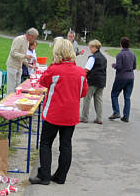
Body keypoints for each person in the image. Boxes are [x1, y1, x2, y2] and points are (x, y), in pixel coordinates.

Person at [29, 38, 88, 185]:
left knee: (46, 143)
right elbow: (83, 93)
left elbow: (42, 82)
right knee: (66, 145)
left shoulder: (54, 69)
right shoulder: (81, 72)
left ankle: (44, 176)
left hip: (53, 114)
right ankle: (61, 176)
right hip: (71, 115)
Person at [109, 37, 137, 123]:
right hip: (130, 77)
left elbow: (119, 66)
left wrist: (114, 65)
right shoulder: (132, 54)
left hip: (121, 77)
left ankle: (116, 112)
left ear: (121, 44)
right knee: (127, 97)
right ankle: (126, 116)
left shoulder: (120, 55)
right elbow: (134, 67)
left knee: (114, 94)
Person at [81, 40, 107, 124]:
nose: (90, 49)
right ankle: (99, 118)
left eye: (91, 47)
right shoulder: (104, 58)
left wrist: (81, 76)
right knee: (98, 99)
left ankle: (84, 117)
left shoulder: (92, 58)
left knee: (87, 99)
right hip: (101, 81)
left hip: (92, 81)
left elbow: (87, 69)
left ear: (95, 47)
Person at [6, 28, 39, 93]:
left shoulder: (27, 42)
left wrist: (28, 65)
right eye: (34, 38)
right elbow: (13, 53)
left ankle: (15, 101)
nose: (34, 40)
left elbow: (22, 56)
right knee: (11, 88)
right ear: (30, 36)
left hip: (19, 67)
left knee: (18, 87)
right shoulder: (18, 39)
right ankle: (9, 102)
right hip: (12, 66)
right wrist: (25, 56)